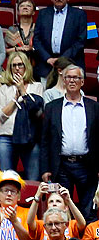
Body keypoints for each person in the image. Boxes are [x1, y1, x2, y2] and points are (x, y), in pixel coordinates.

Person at [39, 64, 99, 214]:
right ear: (63, 81)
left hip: (87, 165)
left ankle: (86, 238)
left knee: (88, 210)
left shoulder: (94, 107)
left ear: (82, 82)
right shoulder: (52, 107)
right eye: (69, 77)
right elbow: (45, 140)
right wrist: (45, 168)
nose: (72, 81)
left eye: (76, 77)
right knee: (61, 209)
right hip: (61, 165)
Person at [33, 0, 87, 82]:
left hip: (71, 64)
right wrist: (48, 58)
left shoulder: (79, 15)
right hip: (46, 65)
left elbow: (81, 40)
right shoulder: (43, 14)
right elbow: (36, 39)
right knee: (46, 96)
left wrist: (63, 59)